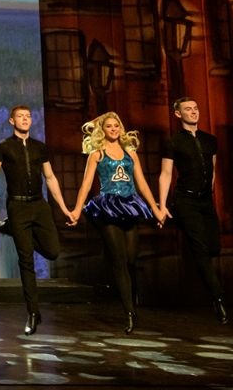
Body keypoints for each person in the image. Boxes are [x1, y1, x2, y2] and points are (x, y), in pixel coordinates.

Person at [0, 104, 74, 335]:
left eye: (28, 116)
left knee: (52, 251)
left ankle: (9, 228)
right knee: (26, 261)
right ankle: (33, 312)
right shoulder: (3, 147)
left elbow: (50, 177)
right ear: (12, 121)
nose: (25, 119)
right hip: (17, 206)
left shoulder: (39, 147)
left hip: (39, 205)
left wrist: (64, 208)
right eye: (20, 116)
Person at [69, 112, 164, 333]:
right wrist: (76, 209)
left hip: (129, 205)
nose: (113, 129)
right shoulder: (97, 154)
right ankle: (129, 312)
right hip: (108, 207)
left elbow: (141, 182)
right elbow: (86, 184)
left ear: (121, 128)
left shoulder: (130, 153)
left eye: (116, 126)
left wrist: (156, 209)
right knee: (119, 260)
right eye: (109, 126)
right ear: (103, 130)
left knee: (131, 258)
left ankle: (131, 296)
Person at [157, 97, 227, 323]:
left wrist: (209, 192)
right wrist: (162, 206)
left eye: (196, 108)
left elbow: (212, 169)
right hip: (185, 200)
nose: (194, 112)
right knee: (200, 249)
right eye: (188, 109)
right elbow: (166, 174)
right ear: (178, 114)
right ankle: (218, 298)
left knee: (213, 247)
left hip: (205, 200)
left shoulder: (210, 140)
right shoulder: (173, 142)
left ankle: (180, 220)